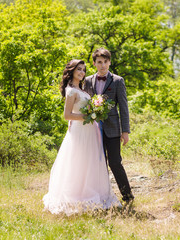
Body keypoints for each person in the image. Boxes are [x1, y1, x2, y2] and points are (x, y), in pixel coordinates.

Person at [43, 59, 120, 216]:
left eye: (84, 70)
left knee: (90, 163)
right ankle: (77, 196)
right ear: (71, 70)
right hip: (80, 131)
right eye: (79, 69)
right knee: (78, 162)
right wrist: (88, 116)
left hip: (90, 131)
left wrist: (95, 111)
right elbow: (67, 115)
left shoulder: (82, 89)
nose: (82, 73)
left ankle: (92, 192)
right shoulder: (71, 91)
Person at [85, 48, 134, 203]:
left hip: (113, 129)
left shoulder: (118, 81)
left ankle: (127, 195)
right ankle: (103, 196)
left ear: (109, 62)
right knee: (99, 164)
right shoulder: (87, 81)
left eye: (105, 62)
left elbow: (124, 107)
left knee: (114, 162)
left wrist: (125, 131)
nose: (103, 65)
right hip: (93, 130)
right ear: (94, 63)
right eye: (99, 62)